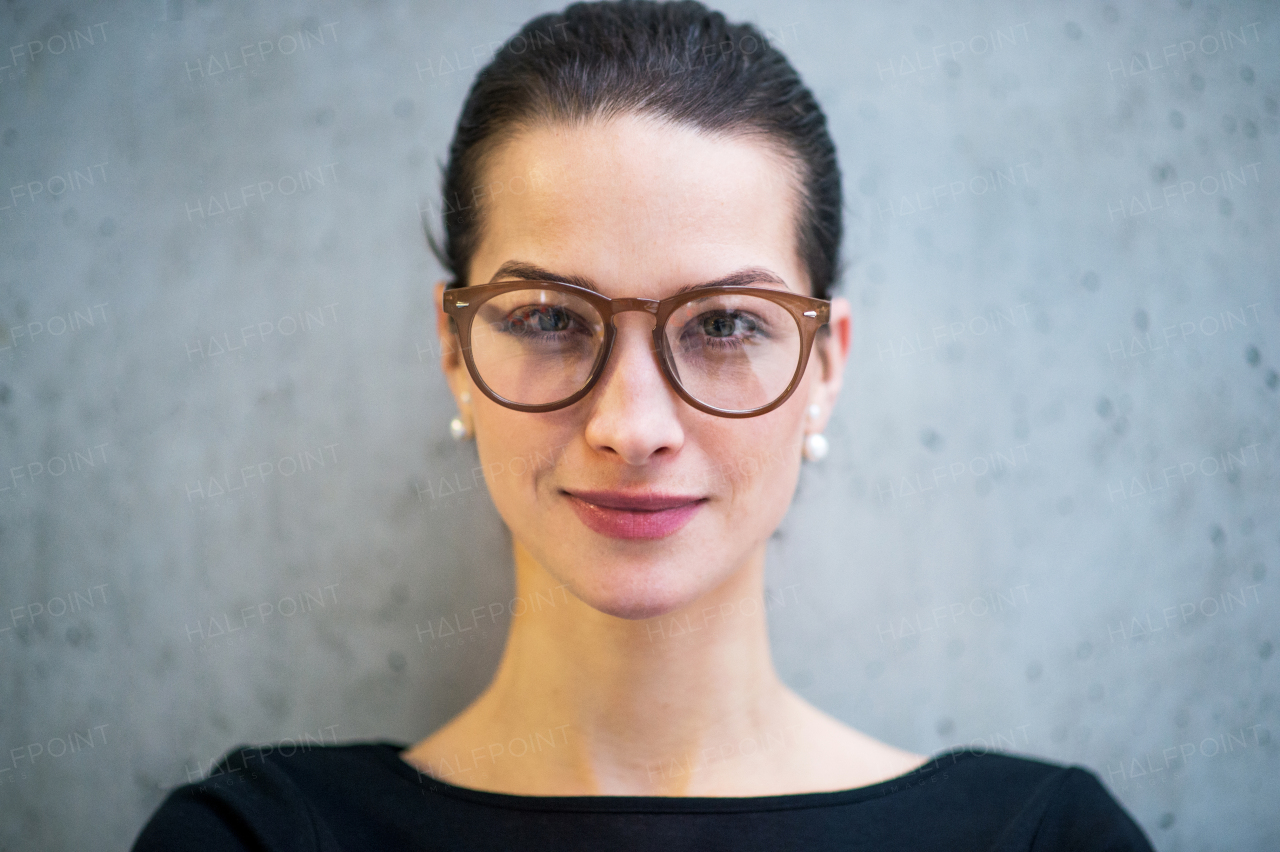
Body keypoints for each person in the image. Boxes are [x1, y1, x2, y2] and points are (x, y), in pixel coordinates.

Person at [134, 2, 1156, 849]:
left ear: (824, 366)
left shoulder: (1040, 839)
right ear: (454, 354)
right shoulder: (258, 840)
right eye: (547, 320)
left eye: (721, 324)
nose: (632, 424)